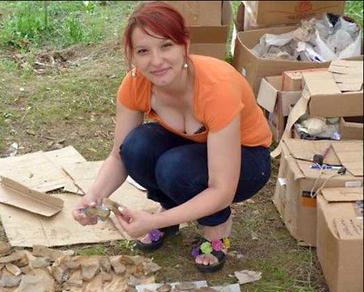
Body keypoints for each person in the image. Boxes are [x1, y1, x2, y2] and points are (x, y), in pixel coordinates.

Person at [72, 1, 272, 273]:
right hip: (193, 147)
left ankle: (216, 229)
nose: (156, 61)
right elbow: (118, 156)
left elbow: (222, 190)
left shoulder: (216, 88)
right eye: (143, 51)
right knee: (135, 148)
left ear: (185, 45)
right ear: (132, 55)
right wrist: (93, 196)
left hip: (247, 158)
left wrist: (150, 222)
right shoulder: (135, 84)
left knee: (175, 168)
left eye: (166, 46)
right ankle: (169, 216)